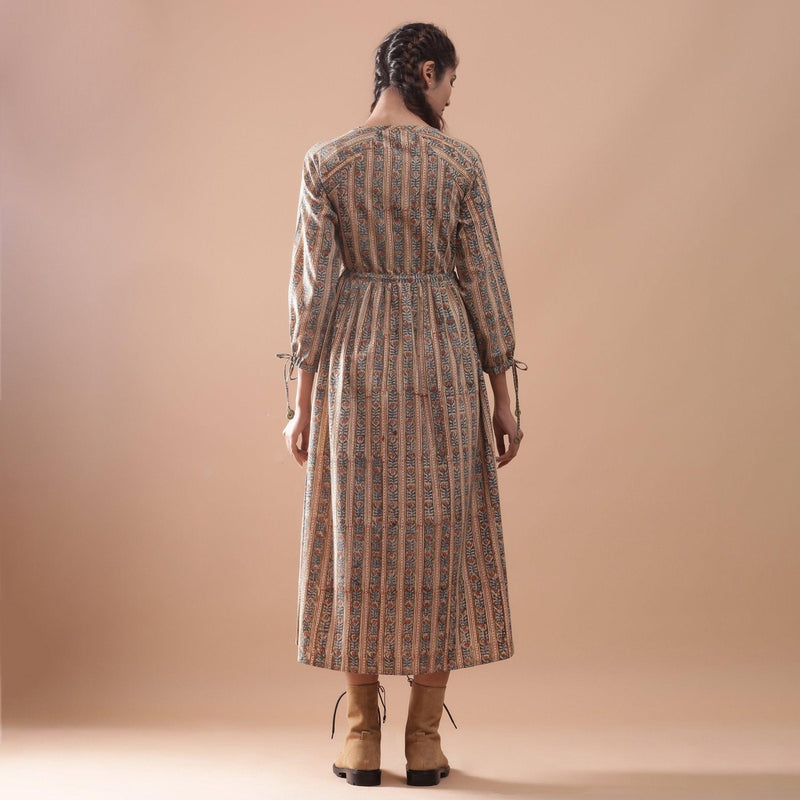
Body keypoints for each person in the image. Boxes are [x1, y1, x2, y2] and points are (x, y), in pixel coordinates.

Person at [276, 22, 527, 788]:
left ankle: (359, 739)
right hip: (444, 362)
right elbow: (483, 279)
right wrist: (503, 396)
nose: (451, 97)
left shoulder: (328, 161)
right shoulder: (459, 162)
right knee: (441, 533)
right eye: (450, 81)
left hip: (356, 364)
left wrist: (301, 401)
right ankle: (422, 743)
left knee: (355, 533)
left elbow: (312, 294)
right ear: (426, 71)